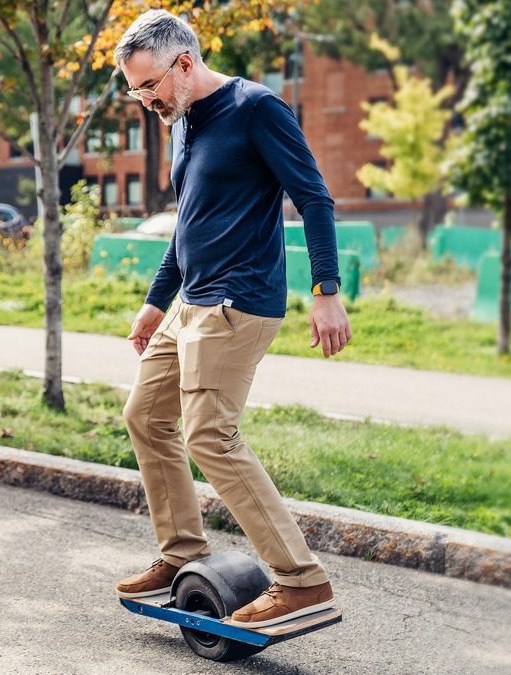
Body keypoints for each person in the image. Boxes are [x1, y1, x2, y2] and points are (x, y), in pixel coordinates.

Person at [113, 9, 352, 629]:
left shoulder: (257, 109)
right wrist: (155, 300)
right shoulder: (182, 121)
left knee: (209, 435)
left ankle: (300, 579)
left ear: (184, 64)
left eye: (150, 86)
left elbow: (314, 198)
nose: (145, 101)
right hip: (190, 302)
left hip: (237, 302)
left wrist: (326, 289)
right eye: (136, 90)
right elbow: (188, 225)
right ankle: (181, 552)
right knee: (144, 415)